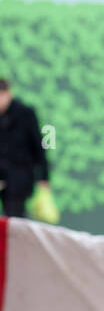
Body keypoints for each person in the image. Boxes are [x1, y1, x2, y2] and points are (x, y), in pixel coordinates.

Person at [0, 78, 51, 218]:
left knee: (14, 219)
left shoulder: (25, 114)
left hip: (18, 178)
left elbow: (38, 146)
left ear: (7, 94)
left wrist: (44, 177)